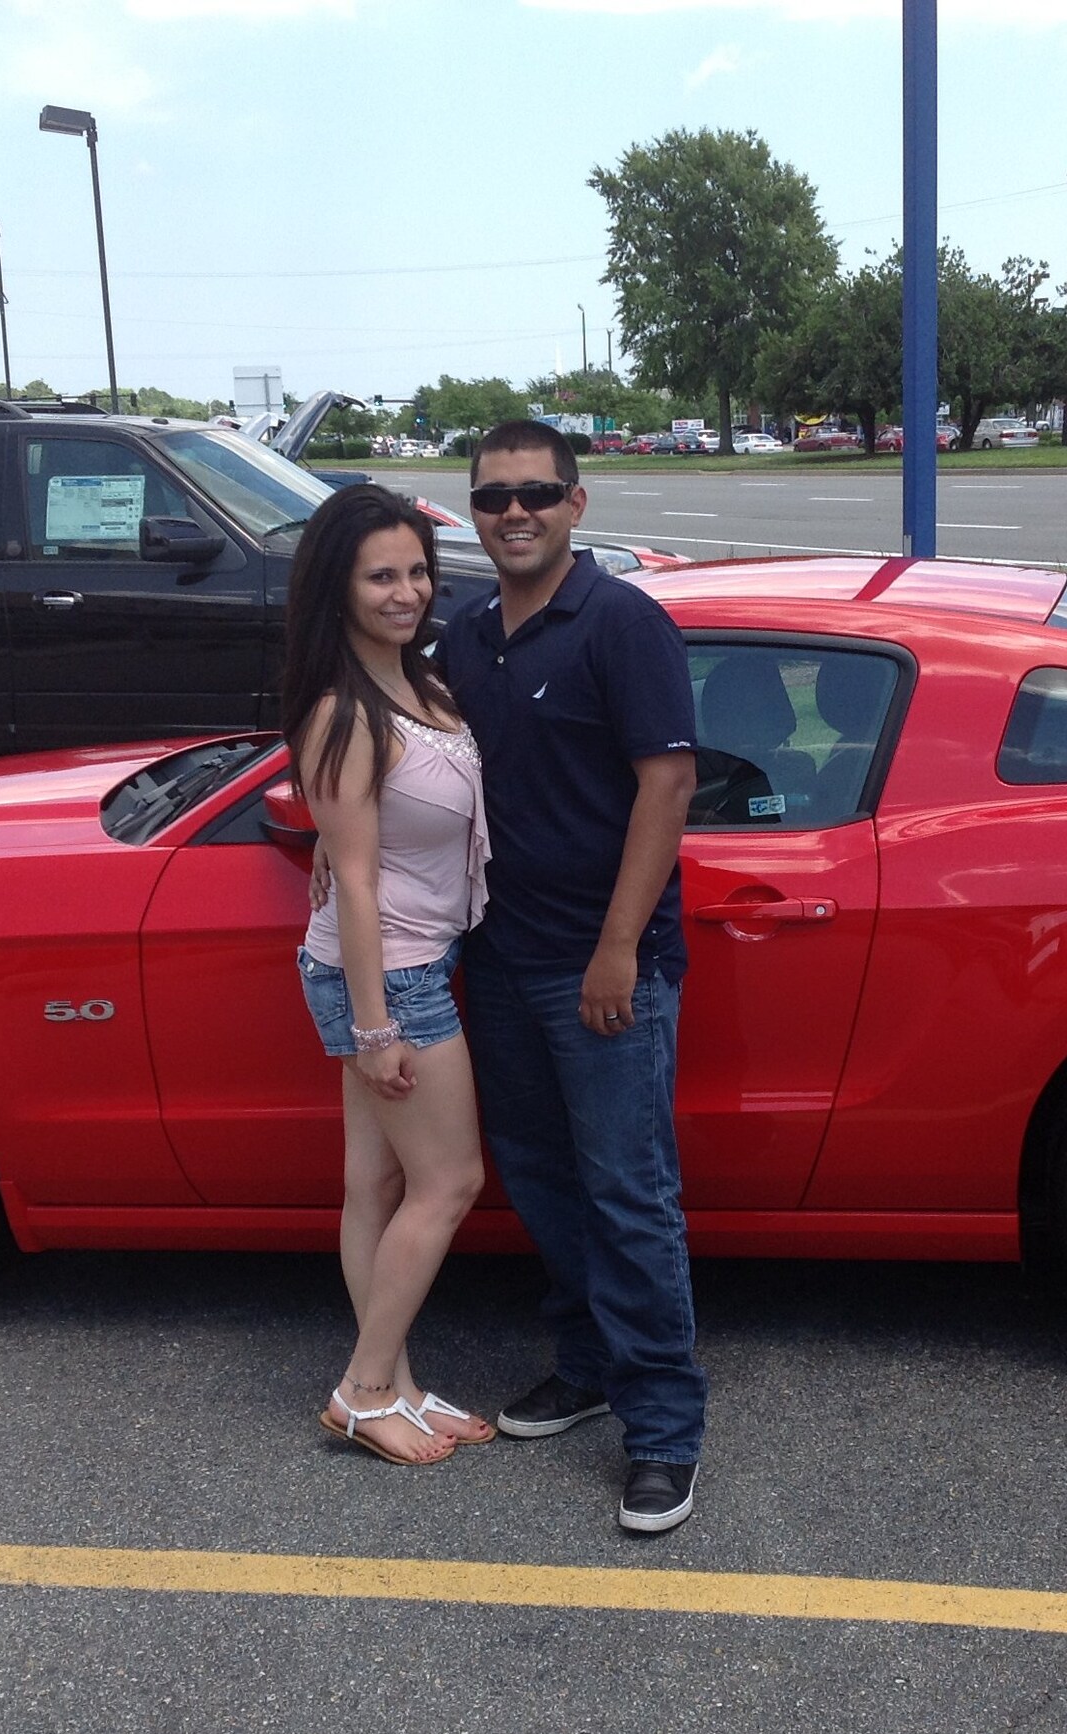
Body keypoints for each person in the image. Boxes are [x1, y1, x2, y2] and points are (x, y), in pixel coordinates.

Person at [446, 419, 705, 1533]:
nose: (516, 513)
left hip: (600, 969)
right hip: (496, 959)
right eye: (495, 496)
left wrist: (615, 948)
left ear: (576, 504)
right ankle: (588, 1361)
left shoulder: (621, 623)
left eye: (537, 494)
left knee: (628, 1195)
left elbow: (667, 788)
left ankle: (662, 1431)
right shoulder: (463, 636)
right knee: (541, 1179)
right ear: (473, 507)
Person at [284, 484, 497, 1466]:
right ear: (339, 589)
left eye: (416, 570)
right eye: (382, 576)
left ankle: (397, 1387)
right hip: (391, 979)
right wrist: (374, 1030)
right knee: (449, 1179)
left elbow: (363, 847)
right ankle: (366, 1388)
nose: (406, 591)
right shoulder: (344, 713)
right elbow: (359, 882)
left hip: (401, 962)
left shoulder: (421, 684)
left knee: (372, 1181)